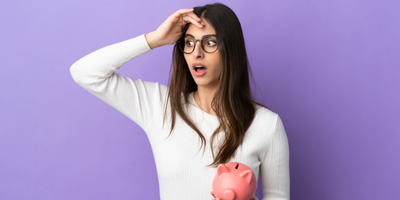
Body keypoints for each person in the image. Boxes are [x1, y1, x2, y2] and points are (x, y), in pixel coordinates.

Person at [70, 3, 289, 200]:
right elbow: (85, 73)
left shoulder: (266, 125)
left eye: (210, 42)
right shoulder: (160, 106)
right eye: (189, 42)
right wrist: (155, 39)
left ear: (231, 49)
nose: (197, 52)